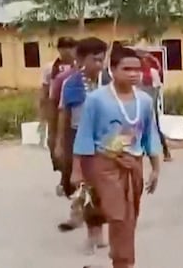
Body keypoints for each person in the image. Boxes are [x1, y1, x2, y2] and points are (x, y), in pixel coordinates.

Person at [71, 45, 163, 268]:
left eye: (136, 69)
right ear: (112, 70)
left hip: (134, 164)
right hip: (105, 164)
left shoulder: (144, 100)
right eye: (126, 69)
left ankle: (123, 260)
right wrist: (77, 170)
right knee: (118, 216)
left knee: (130, 218)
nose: (133, 74)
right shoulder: (96, 99)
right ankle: (123, 262)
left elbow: (150, 134)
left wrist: (155, 169)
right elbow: (84, 135)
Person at [54, 37, 110, 242]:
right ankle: (93, 231)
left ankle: (98, 224)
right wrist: (60, 142)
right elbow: (63, 113)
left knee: (105, 187)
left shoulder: (110, 81)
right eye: (94, 60)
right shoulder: (70, 84)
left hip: (107, 140)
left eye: (101, 60)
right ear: (80, 60)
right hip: (79, 138)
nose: (99, 65)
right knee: (86, 186)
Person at [41, 36, 77, 172]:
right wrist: (43, 112)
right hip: (54, 106)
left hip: (73, 106)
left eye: (70, 47)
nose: (67, 51)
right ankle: (61, 168)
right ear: (59, 49)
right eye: (64, 48)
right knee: (53, 140)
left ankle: (70, 173)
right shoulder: (50, 68)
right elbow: (44, 90)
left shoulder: (79, 67)